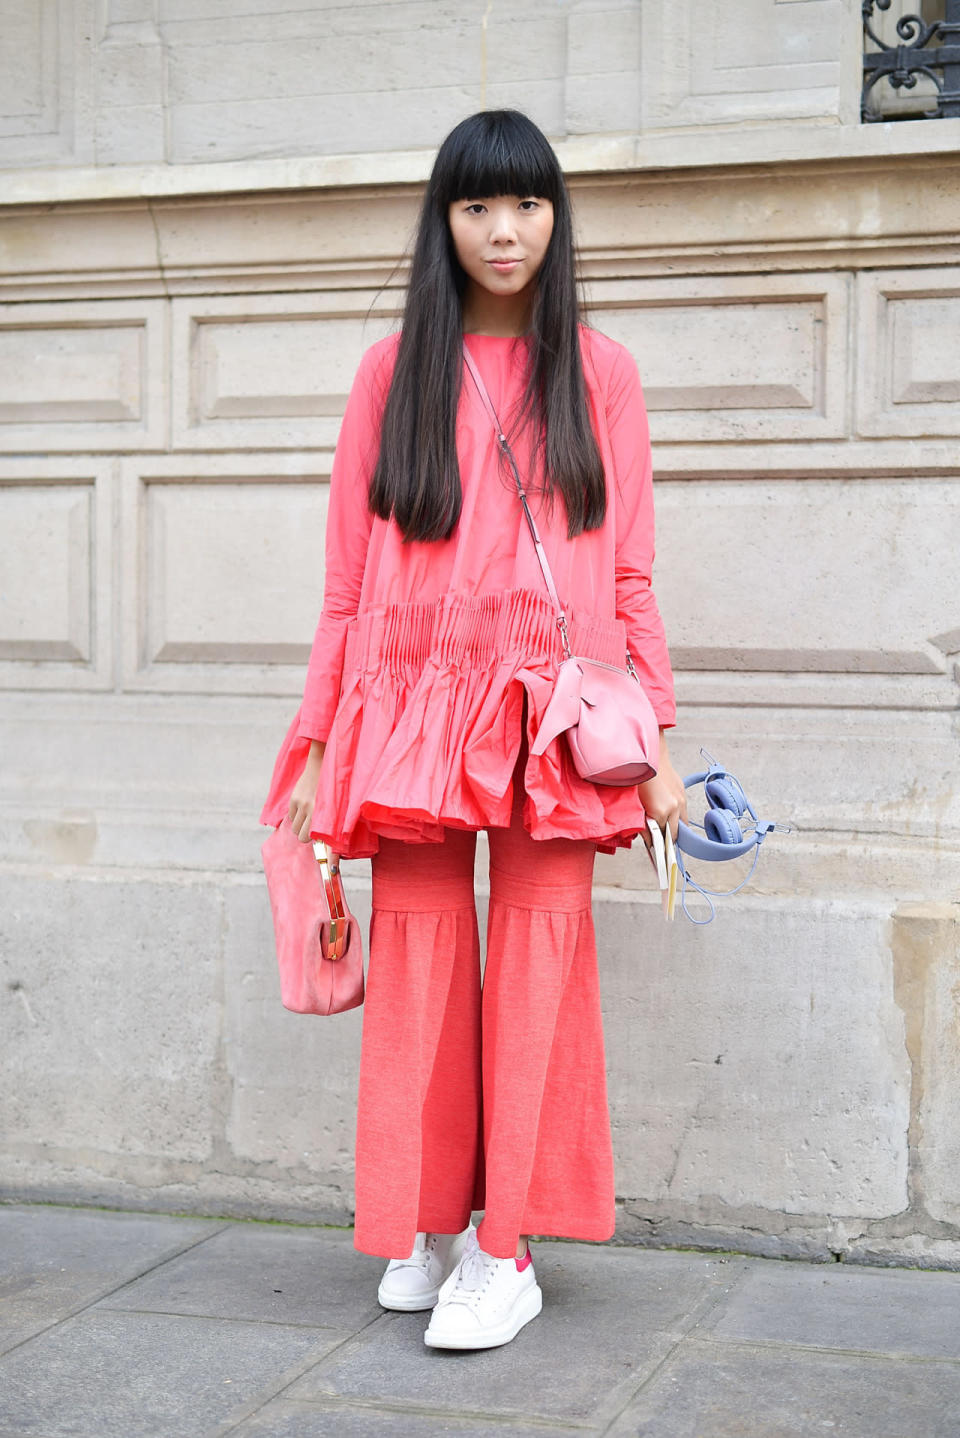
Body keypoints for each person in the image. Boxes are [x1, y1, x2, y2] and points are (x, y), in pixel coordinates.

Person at [260, 108, 687, 1351]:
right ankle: (435, 1220)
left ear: (558, 219)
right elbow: (348, 580)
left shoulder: (600, 373)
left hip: (555, 713)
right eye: (477, 207)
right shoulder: (393, 373)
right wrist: (321, 739)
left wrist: (656, 739)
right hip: (412, 708)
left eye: (529, 205)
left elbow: (634, 575)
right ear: (441, 223)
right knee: (424, 964)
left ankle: (509, 1248)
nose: (506, 232)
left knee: (543, 962)